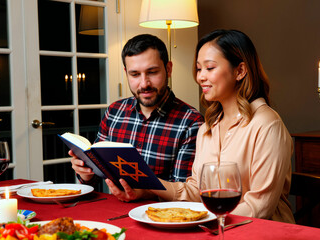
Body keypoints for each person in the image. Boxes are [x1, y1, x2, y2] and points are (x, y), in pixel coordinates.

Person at [105, 29, 295, 223]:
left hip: (263, 232)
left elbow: (260, 207)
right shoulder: (208, 127)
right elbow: (196, 191)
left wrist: (202, 218)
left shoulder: (267, 124)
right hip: (217, 228)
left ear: (240, 71)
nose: (200, 77)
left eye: (209, 68)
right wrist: (146, 185)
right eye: (198, 69)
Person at [70, 34, 204, 185]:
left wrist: (144, 192)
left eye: (152, 72)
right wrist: (86, 173)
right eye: (134, 74)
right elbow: (96, 174)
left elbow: (183, 191)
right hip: (114, 207)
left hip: (160, 209)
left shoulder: (192, 122)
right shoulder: (114, 112)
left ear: (168, 69)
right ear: (126, 72)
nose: (144, 84)